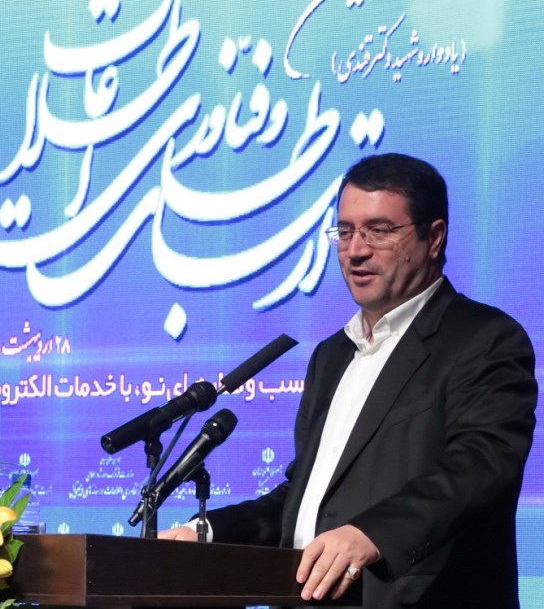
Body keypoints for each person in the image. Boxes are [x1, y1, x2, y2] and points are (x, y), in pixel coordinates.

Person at [160, 153, 538, 608]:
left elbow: (479, 467)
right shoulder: (332, 355)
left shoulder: (483, 339)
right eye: (345, 232)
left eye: (379, 231)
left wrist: (371, 535)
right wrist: (207, 532)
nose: (355, 250)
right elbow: (304, 501)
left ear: (434, 237)